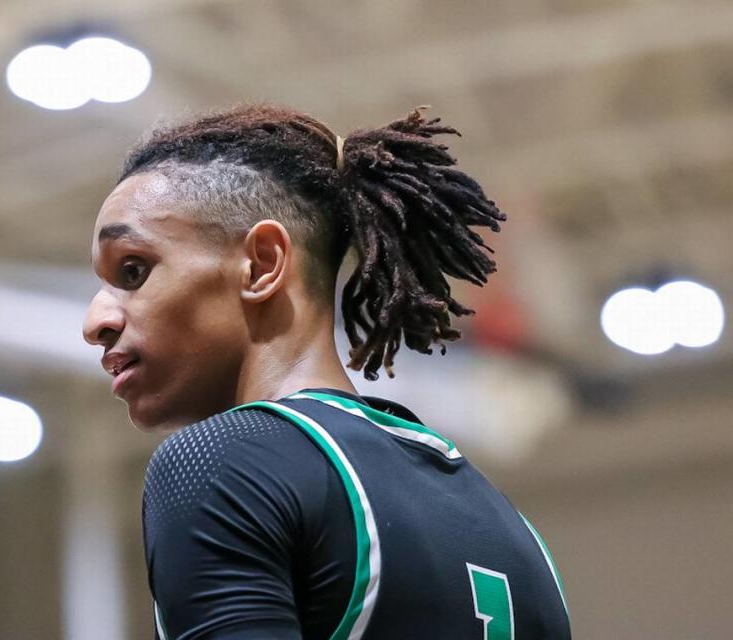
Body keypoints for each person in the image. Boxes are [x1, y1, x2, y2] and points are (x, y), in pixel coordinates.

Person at [83, 104, 571, 640]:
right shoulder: (511, 529)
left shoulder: (224, 460)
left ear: (262, 264)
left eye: (133, 270)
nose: (95, 321)